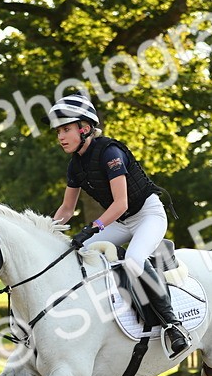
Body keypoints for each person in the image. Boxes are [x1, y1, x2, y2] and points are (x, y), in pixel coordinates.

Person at [47, 93, 190, 355]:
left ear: (85, 128)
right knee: (78, 252)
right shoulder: (75, 166)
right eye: (58, 132)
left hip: (148, 215)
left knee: (134, 260)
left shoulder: (110, 152)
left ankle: (172, 324)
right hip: (121, 222)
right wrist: (47, 231)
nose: (61, 137)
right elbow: (67, 209)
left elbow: (121, 203)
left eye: (66, 129)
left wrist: (92, 227)